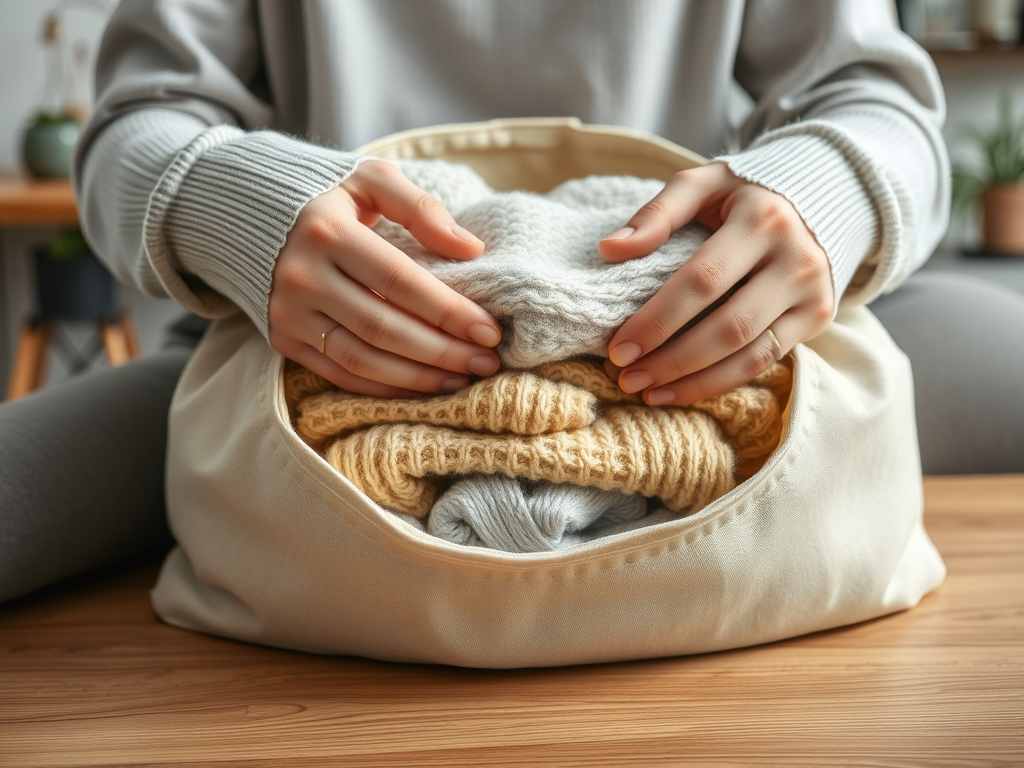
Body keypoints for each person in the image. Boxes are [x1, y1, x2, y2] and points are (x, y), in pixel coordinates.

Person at [2, 0, 1022, 603]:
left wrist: (821, 198)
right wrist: (237, 210)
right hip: (307, 349)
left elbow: (872, 97)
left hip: (707, 341)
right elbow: (143, 124)